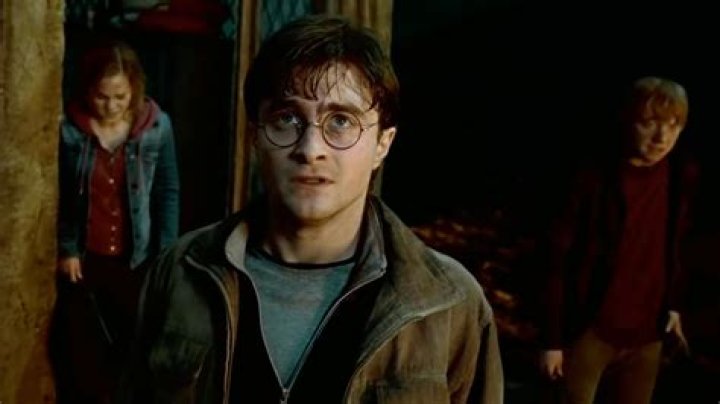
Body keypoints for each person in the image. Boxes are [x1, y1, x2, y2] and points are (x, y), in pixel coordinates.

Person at [116, 14, 503, 404]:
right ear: (255, 136)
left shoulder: (448, 302)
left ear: (382, 144)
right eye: (286, 119)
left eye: (341, 121)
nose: (310, 149)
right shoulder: (180, 273)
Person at [538, 76, 698, 404]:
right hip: (589, 332)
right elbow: (556, 258)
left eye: (673, 125)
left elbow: (675, 247)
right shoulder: (592, 179)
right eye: (649, 123)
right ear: (627, 120)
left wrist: (672, 305)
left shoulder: (679, 175)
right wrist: (551, 340)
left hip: (647, 337)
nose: (662, 137)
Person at [53, 38, 180, 403]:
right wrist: (67, 248)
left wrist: (165, 253)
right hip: (85, 259)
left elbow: (168, 191)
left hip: (135, 258)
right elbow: (59, 193)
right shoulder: (70, 130)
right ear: (87, 91)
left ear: (134, 89)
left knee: (132, 346)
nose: (110, 106)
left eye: (120, 97)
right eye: (102, 96)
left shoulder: (157, 127)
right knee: (81, 351)